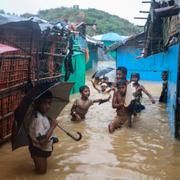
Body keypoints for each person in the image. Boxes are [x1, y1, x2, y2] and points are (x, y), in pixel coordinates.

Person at [28, 91, 58, 174]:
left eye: (49, 103)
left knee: (40, 171)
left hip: (39, 149)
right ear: (38, 104)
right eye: (45, 103)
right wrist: (52, 127)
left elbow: (43, 131)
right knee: (41, 173)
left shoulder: (42, 115)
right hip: (39, 150)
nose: (48, 106)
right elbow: (42, 141)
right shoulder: (38, 119)